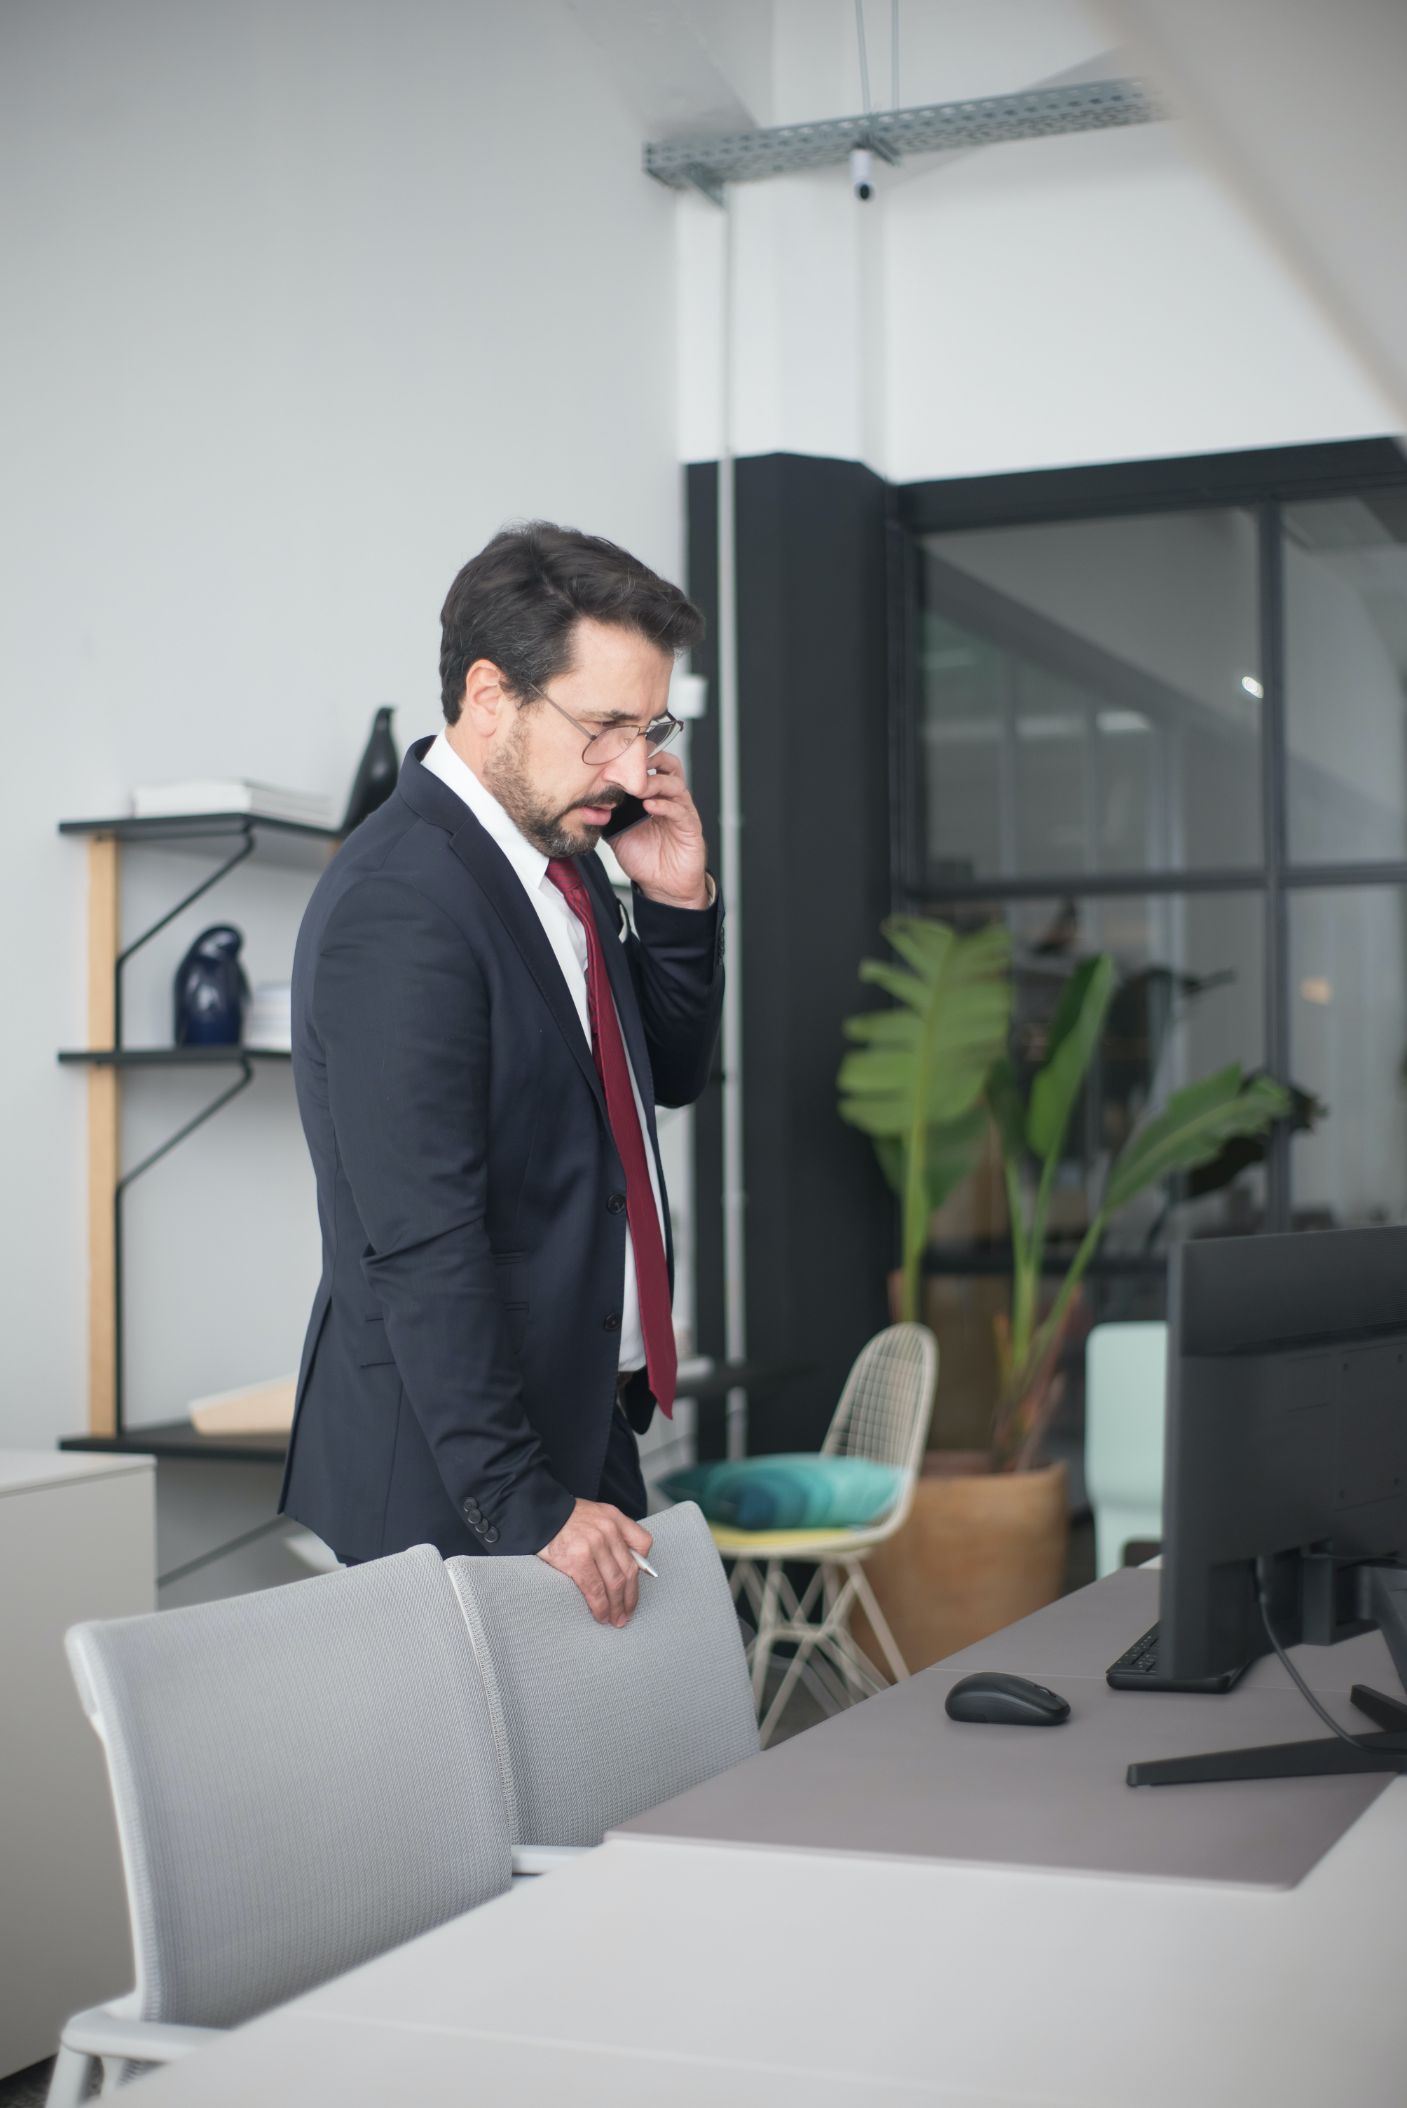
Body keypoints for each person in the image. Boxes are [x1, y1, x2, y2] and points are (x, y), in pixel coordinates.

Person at [280, 522, 722, 1628]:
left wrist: (674, 904)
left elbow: (662, 1076)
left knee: (594, 1792)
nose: (633, 768)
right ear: (490, 694)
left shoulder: (562, 864)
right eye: (605, 725)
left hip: (579, 1432)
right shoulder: (401, 904)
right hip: (462, 1482)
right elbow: (421, 1237)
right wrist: (524, 1500)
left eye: (651, 727)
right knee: (484, 1805)